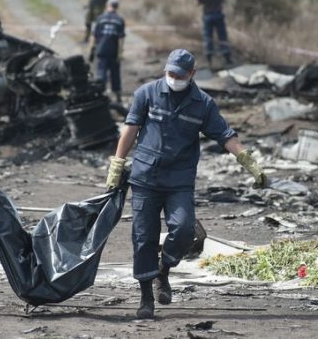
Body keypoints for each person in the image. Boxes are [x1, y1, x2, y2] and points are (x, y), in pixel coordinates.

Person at [105, 49, 267, 319]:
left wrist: (248, 161)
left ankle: (163, 271)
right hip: (145, 178)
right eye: (170, 73)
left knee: (182, 230)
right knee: (143, 238)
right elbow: (131, 129)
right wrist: (117, 164)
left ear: (192, 74)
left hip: (179, 180)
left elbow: (225, 135)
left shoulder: (203, 104)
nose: (174, 78)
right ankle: (146, 298)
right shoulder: (147, 93)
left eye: (180, 74)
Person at [89, 0, 126, 103]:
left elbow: (93, 35)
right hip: (113, 51)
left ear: (107, 5)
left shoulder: (100, 18)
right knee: (115, 74)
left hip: (101, 50)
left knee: (101, 74)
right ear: (117, 7)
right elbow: (121, 38)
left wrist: (91, 50)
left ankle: (100, 96)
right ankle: (118, 97)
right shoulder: (119, 20)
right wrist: (120, 53)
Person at [197, 0, 232, 66]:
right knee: (222, 36)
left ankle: (209, 60)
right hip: (218, 14)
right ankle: (227, 58)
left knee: (208, 37)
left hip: (207, 15)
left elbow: (199, 2)